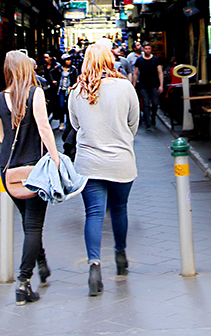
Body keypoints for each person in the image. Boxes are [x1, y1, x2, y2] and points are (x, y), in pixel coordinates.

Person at [69, 40, 139, 296]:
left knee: (94, 214)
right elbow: (134, 123)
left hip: (89, 162)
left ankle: (94, 266)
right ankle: (120, 255)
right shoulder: (125, 87)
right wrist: (120, 138)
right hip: (121, 160)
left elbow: (75, 125)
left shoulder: (76, 90)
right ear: (110, 60)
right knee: (119, 209)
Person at [0, 50, 60, 305]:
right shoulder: (35, 93)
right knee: (33, 226)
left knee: (27, 221)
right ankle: (23, 282)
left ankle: (41, 263)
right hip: (35, 170)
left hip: (9, 172)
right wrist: (55, 158)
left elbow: (1, 137)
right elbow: (44, 128)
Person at [134, 42, 163, 129]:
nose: (147, 50)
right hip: (143, 85)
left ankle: (153, 116)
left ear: (151, 49)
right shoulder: (139, 60)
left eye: (149, 49)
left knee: (155, 103)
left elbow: (160, 72)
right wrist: (134, 84)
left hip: (154, 84)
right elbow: (136, 73)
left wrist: (161, 85)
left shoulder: (155, 60)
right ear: (143, 49)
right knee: (145, 103)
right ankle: (147, 122)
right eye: (146, 49)